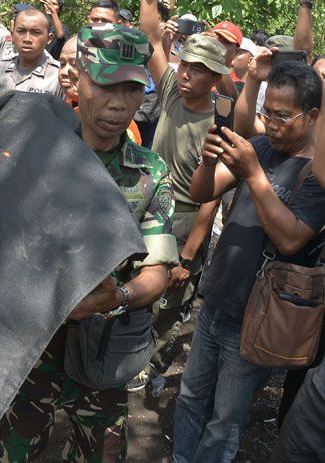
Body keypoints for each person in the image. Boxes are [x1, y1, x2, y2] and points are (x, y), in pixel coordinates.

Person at [0, 23, 176, 463]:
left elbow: (158, 270)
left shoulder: (148, 172)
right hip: (22, 351)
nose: (119, 103)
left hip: (102, 351)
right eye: (106, 84)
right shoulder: (29, 149)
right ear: (78, 77)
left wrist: (117, 297)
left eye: (132, 88)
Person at [175, 59, 325, 463]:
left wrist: (255, 175)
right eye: (266, 113)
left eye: (282, 116)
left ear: (312, 116)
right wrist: (208, 161)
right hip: (216, 302)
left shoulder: (316, 175)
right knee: (190, 397)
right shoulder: (259, 147)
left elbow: (291, 238)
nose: (271, 124)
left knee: (225, 420)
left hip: (256, 319)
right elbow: (203, 193)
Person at [132, 0, 228, 392]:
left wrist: (189, 253)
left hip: (187, 214)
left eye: (198, 69)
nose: (186, 74)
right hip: (150, 202)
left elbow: (212, 198)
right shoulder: (170, 89)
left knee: (170, 298)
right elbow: (150, 37)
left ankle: (153, 364)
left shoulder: (219, 123)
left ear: (216, 77)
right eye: (185, 65)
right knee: (138, 283)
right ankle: (130, 353)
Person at [0, 8, 63, 97]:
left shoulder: (58, 76)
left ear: (49, 38)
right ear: (12, 35)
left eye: (36, 32)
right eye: (21, 31)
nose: (27, 39)